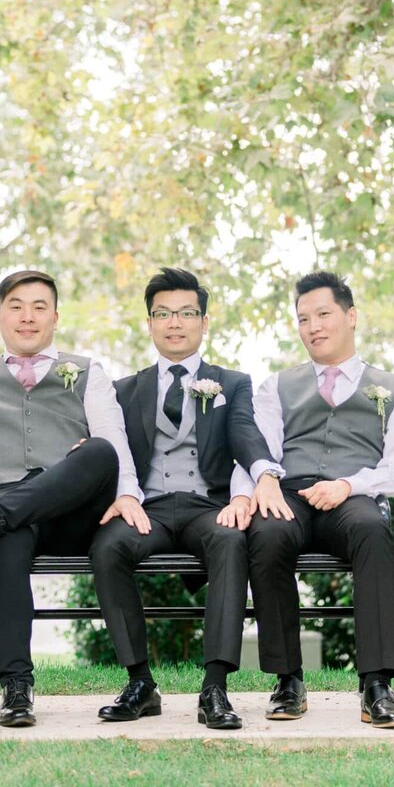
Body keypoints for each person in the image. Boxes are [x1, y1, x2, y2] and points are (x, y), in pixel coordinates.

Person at [0, 269, 146, 728]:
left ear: (55, 317)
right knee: (7, 543)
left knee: (98, 450)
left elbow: (113, 440)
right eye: (16, 306)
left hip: (72, 508)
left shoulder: (86, 370)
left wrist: (128, 494)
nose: (28, 317)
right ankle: (17, 688)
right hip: (9, 506)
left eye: (39, 307)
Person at [91, 267, 287, 730]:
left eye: (185, 313)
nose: (174, 322)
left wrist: (262, 476)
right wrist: (119, 489)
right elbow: (110, 444)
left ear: (203, 322)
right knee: (107, 547)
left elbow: (244, 432)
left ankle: (214, 687)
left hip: (207, 505)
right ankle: (140, 683)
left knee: (231, 541)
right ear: (150, 323)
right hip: (148, 506)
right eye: (163, 313)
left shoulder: (232, 382)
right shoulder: (125, 389)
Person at [242, 271, 394, 729]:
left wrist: (349, 485)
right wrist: (262, 482)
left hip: (354, 494)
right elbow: (259, 448)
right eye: (303, 319)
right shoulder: (275, 387)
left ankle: (377, 684)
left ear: (351, 316)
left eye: (323, 314)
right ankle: (288, 679)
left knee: (371, 530)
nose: (313, 327)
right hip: (292, 492)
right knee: (267, 534)